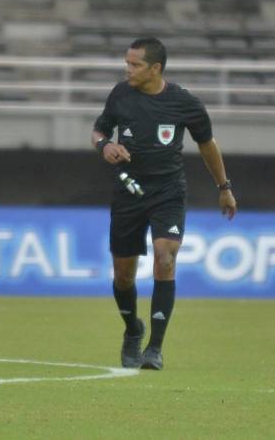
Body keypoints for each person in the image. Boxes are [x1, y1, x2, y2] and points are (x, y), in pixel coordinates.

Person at [92, 37, 237, 371]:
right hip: (128, 191)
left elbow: (207, 145)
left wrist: (224, 187)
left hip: (168, 192)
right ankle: (133, 330)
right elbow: (99, 131)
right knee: (124, 276)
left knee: (165, 257)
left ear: (155, 68)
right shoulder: (120, 94)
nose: (127, 70)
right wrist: (105, 148)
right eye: (127, 63)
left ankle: (155, 347)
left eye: (135, 64)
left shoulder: (184, 103)